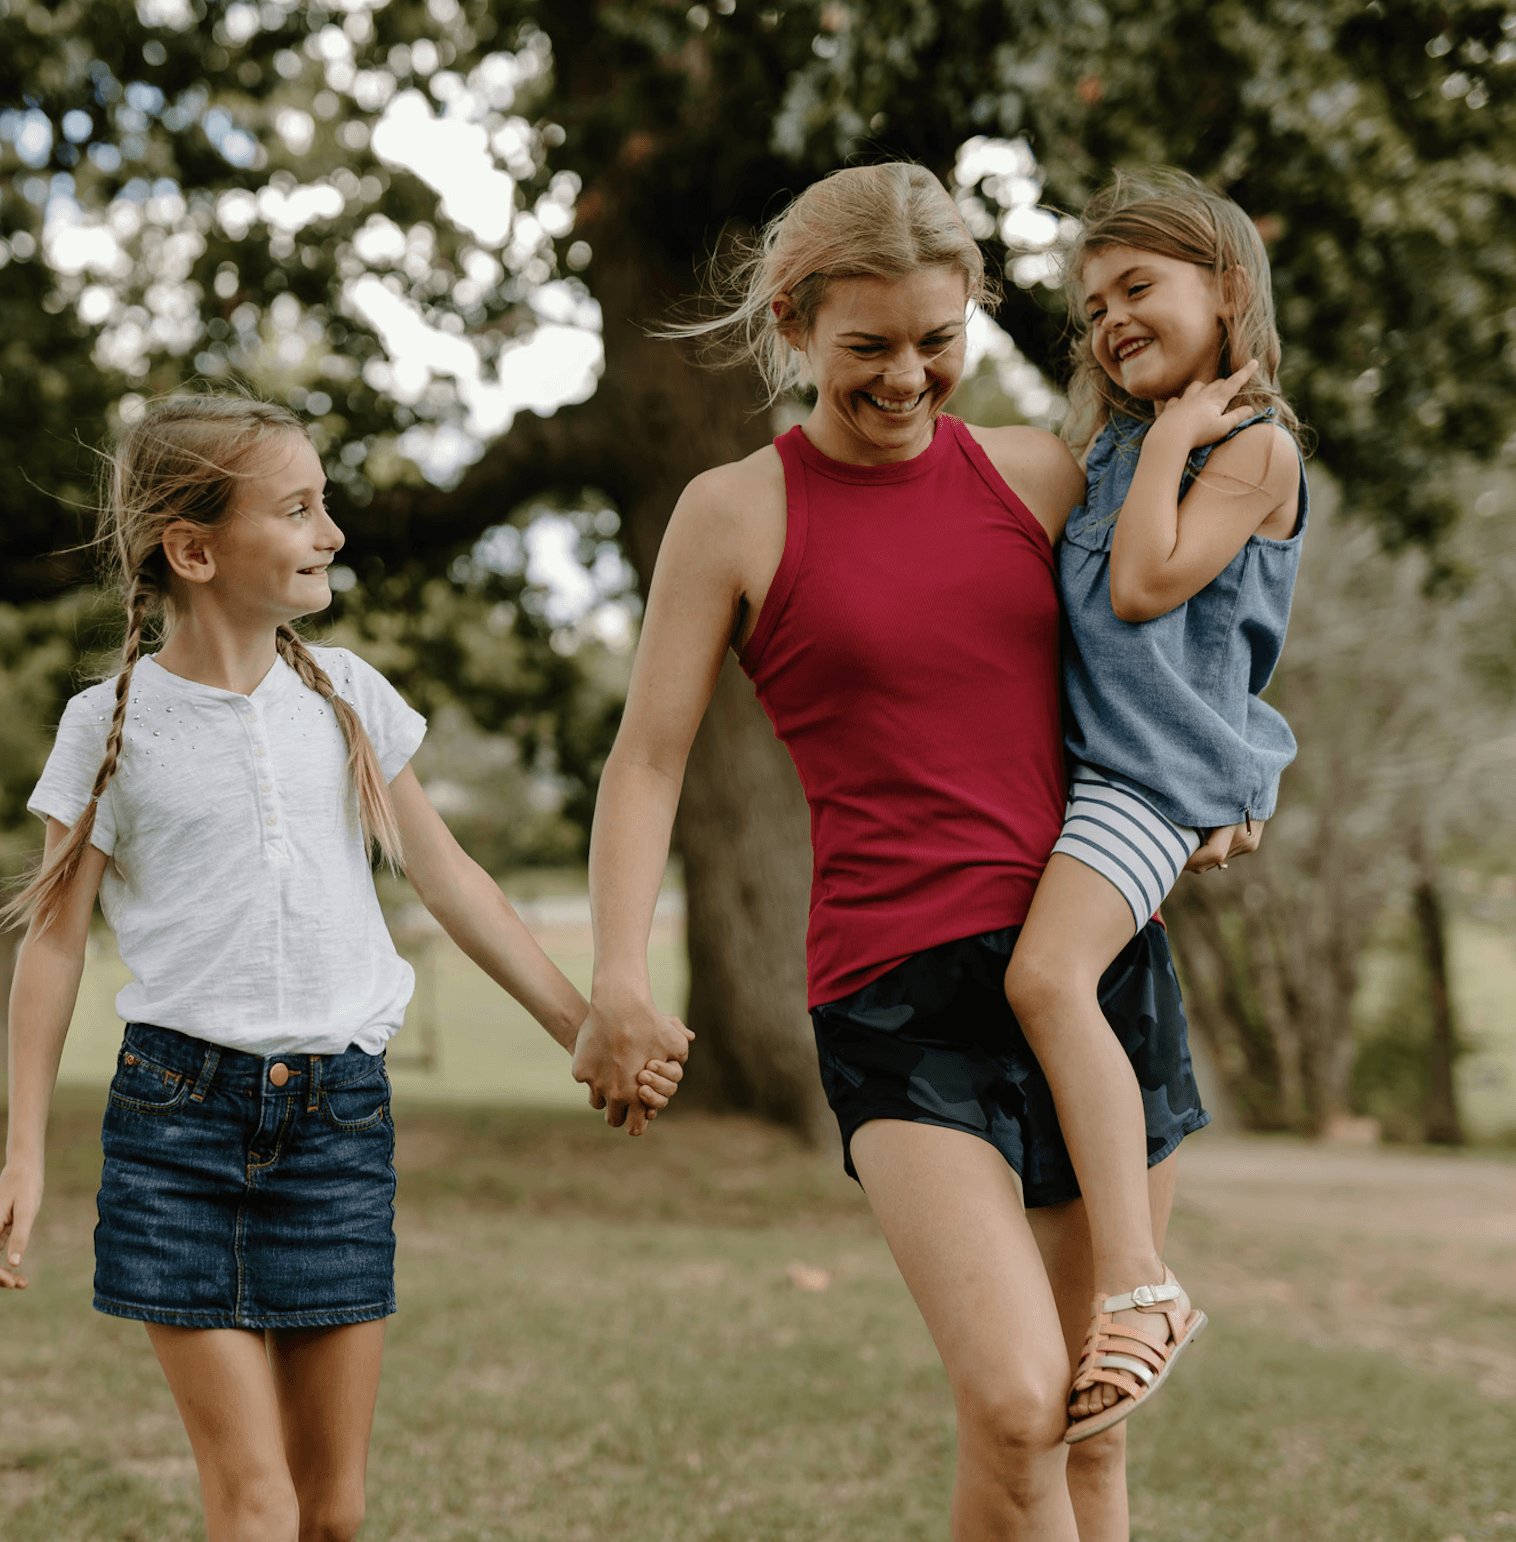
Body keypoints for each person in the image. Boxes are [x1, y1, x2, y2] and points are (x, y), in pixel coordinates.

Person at [573, 161, 1256, 1541]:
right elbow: (648, 758)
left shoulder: (1043, 471)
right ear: (791, 325)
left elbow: (1177, 643)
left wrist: (1233, 777)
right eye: (866, 347)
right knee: (1016, 1402)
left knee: (1090, 1431)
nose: (905, 377)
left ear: (974, 316)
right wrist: (617, 972)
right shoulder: (734, 512)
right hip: (895, 997)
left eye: (936, 341)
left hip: (1088, 977)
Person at [0, 395, 689, 1542]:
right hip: (174, 1129)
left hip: (335, 1129)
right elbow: (52, 944)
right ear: (193, 551)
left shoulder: (344, 696)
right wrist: (21, 1157)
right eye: (298, 510)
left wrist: (581, 1028)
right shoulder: (107, 724)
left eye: (326, 503)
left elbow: (450, 881)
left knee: (332, 1514)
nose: (332, 532)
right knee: (252, 1506)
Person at [1005, 168, 1306, 1444]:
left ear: (1225, 291)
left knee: (1044, 981)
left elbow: (1140, 589)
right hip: (1096, 775)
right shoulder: (1110, 447)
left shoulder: (1248, 449)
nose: (1110, 319)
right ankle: (1102, 1276)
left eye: (1138, 287)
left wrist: (1178, 438)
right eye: (1091, 306)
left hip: (1150, 783)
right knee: (1057, 1005)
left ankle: (1139, 1288)